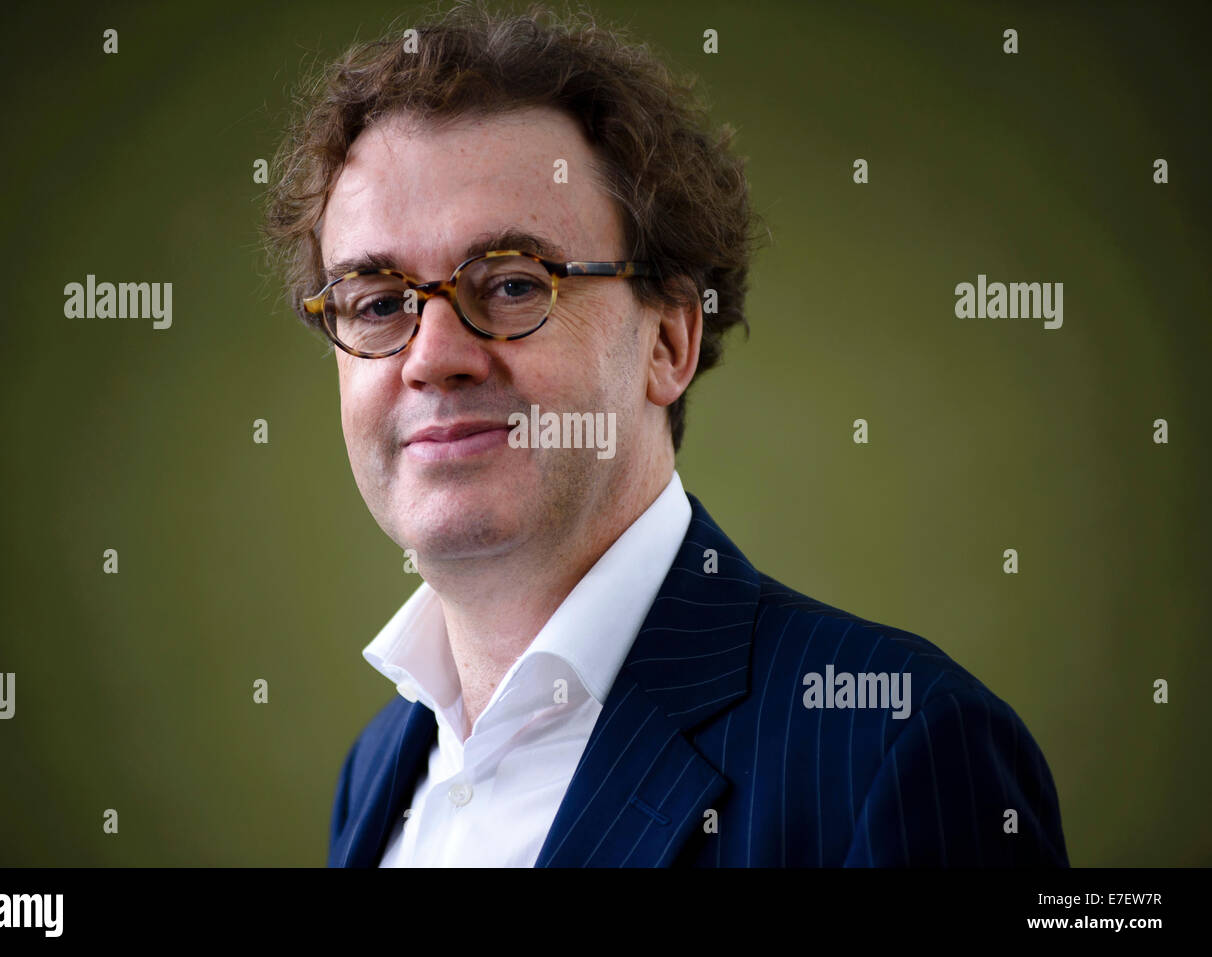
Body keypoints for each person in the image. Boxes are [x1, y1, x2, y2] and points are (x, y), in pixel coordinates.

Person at [261, 0, 1068, 867]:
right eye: (379, 304)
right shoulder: (379, 768)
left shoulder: (895, 746)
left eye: (513, 285)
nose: (432, 358)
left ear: (670, 339)